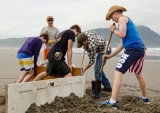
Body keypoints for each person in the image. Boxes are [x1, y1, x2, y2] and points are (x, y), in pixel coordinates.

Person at [99, 5, 149, 109]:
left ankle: (112, 101)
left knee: (118, 72)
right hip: (140, 50)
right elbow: (122, 44)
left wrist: (113, 30)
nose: (112, 20)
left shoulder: (122, 19)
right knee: (138, 73)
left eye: (111, 17)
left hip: (133, 50)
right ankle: (145, 98)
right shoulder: (125, 22)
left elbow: (121, 34)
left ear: (115, 13)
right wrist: (110, 56)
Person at [77, 31, 112, 98]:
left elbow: (92, 61)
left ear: (86, 39)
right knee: (99, 69)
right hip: (100, 49)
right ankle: (107, 87)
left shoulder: (91, 46)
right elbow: (94, 32)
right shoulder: (86, 33)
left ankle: (97, 94)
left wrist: (83, 70)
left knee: (97, 70)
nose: (82, 46)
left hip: (105, 50)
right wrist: (85, 46)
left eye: (83, 44)